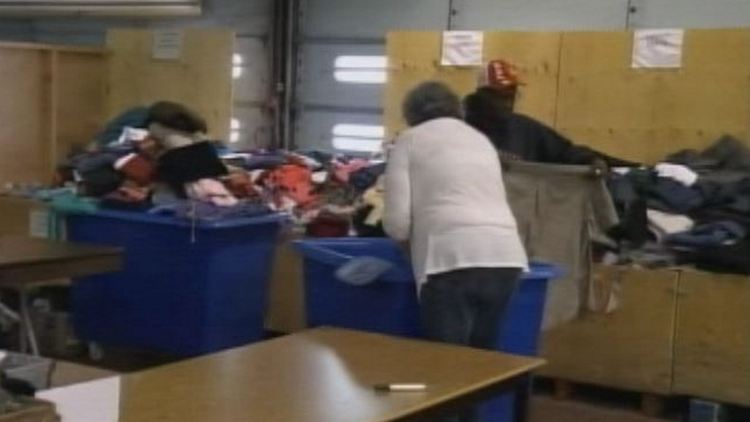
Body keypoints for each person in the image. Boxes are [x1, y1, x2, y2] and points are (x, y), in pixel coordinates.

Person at [383, 81, 528, 421]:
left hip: (450, 259)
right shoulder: (480, 140)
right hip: (505, 255)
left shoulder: (410, 141)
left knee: (445, 373)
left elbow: (397, 224)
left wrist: (406, 243)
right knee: (475, 373)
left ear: (411, 113)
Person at [464, 86, 639, 167]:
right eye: (500, 96)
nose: (507, 103)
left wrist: (595, 161)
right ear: (482, 95)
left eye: (511, 96)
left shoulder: (524, 129)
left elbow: (565, 152)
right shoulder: (459, 128)